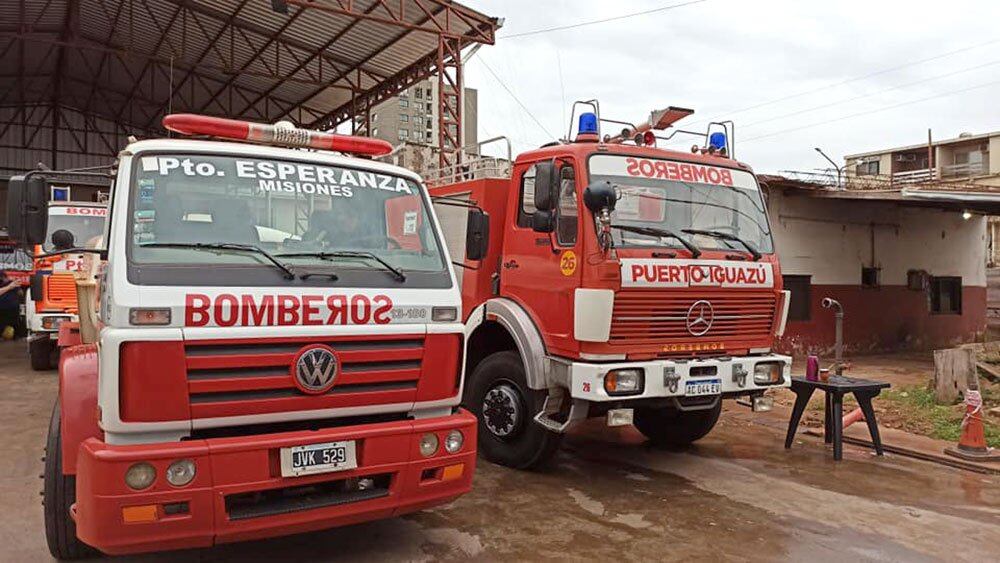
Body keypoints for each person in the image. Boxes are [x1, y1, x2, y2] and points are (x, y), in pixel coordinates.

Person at [0, 271, 23, 340]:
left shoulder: (11, 283)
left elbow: (20, 293)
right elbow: (20, 293)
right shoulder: (11, 284)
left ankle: (17, 336)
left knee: (14, 324)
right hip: (7, 308)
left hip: (10, 308)